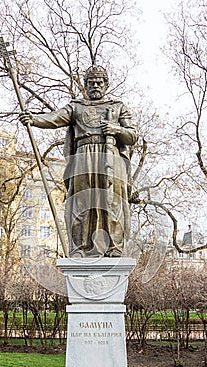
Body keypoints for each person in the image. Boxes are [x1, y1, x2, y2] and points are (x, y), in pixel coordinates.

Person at [19, 66, 137, 257]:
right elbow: (54, 118)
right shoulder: (76, 106)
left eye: (99, 82)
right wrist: (33, 119)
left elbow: (132, 136)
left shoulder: (118, 106)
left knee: (111, 201)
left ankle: (114, 247)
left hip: (110, 156)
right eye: (91, 83)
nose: (95, 86)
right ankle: (80, 247)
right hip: (83, 155)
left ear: (106, 84)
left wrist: (116, 130)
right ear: (86, 86)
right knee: (82, 201)